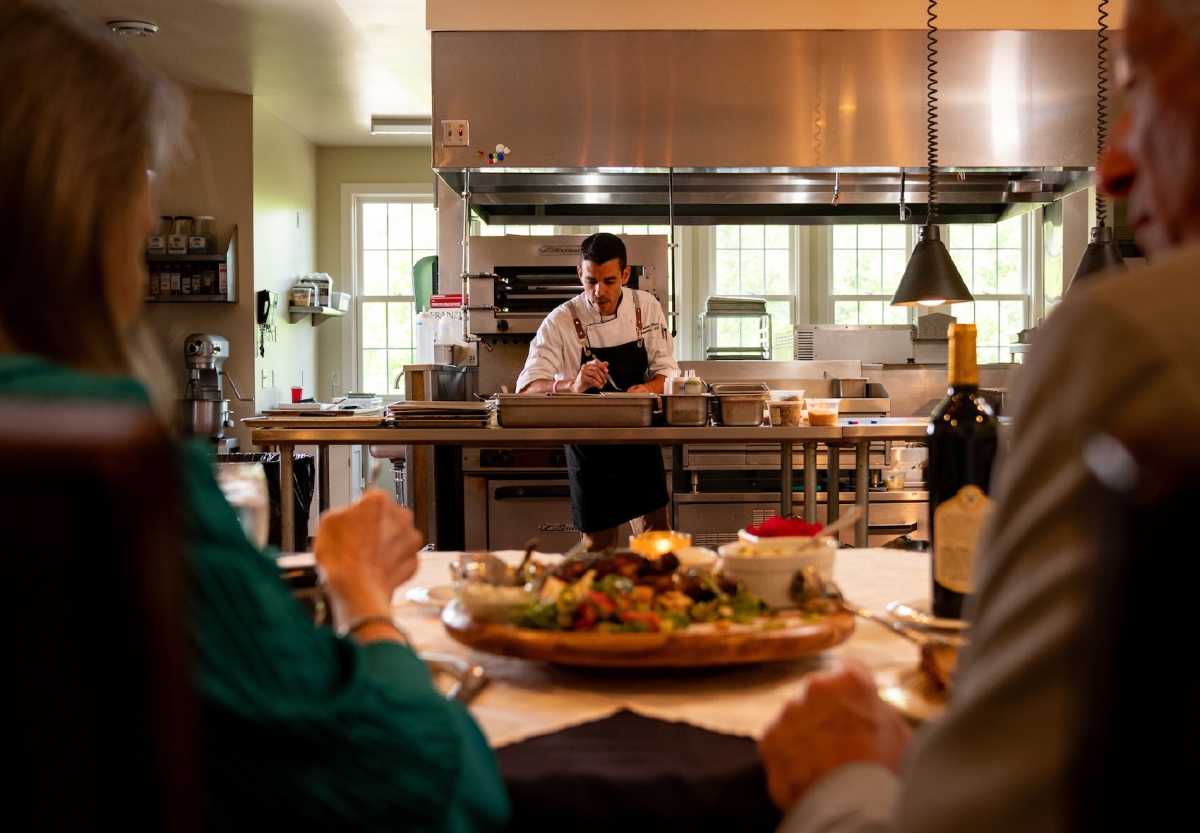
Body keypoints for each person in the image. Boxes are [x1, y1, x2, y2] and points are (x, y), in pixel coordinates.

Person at [0, 2, 508, 830]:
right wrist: (362, 594)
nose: (147, 218)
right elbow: (408, 779)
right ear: (83, 220)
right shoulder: (115, 472)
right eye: (139, 184)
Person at [758, 1, 1200, 830]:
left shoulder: (1127, 339)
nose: (1112, 167)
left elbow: (979, 814)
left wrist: (841, 781)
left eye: (1139, 88)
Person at [516, 232, 679, 550]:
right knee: (596, 553)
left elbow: (668, 372)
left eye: (609, 281)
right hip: (590, 452)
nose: (598, 291)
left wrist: (648, 388)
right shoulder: (559, 322)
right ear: (580, 273)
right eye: (591, 281)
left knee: (658, 545)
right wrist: (572, 385)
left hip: (639, 445)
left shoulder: (646, 307)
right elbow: (526, 388)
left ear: (626, 275)